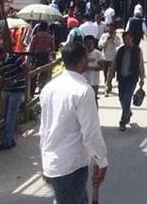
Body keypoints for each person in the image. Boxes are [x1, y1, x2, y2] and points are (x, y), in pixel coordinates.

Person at [39, 42, 108, 204]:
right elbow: (90, 133)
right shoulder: (83, 91)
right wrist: (102, 161)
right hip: (72, 164)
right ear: (83, 60)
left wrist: (46, 163)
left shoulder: (49, 88)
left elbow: (44, 129)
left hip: (55, 162)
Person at [0, 46, 28, 150]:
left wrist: (15, 80)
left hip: (17, 90)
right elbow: (2, 81)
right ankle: (11, 140)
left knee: (11, 115)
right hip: (7, 91)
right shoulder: (1, 65)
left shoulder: (15, 58)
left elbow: (26, 69)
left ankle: (6, 142)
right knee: (6, 116)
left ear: (0, 54)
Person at [113, 33, 145, 131]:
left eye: (128, 39)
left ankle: (123, 120)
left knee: (127, 98)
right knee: (121, 98)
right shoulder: (120, 50)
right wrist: (109, 78)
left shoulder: (137, 50)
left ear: (132, 39)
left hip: (132, 78)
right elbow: (114, 64)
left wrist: (142, 78)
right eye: (124, 39)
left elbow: (141, 64)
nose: (126, 41)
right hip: (121, 77)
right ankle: (128, 112)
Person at [27, 22, 56, 90]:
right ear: (46, 28)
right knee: (45, 74)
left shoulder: (35, 36)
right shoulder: (50, 37)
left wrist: (29, 58)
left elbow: (31, 48)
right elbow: (52, 49)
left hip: (36, 57)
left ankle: (32, 90)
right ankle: (42, 88)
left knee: (34, 74)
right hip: (45, 57)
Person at [98, 23, 120, 97]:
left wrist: (114, 38)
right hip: (104, 57)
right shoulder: (104, 36)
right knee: (105, 74)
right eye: (109, 28)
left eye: (112, 29)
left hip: (112, 58)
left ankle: (106, 90)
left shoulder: (116, 37)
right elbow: (100, 46)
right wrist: (106, 40)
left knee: (110, 74)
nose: (111, 30)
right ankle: (108, 85)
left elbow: (118, 44)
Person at [83, 35, 103, 103]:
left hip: (94, 82)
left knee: (93, 100)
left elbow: (102, 67)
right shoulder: (81, 54)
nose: (88, 45)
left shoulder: (98, 54)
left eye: (90, 43)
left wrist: (90, 68)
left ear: (93, 43)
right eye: (86, 43)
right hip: (83, 81)